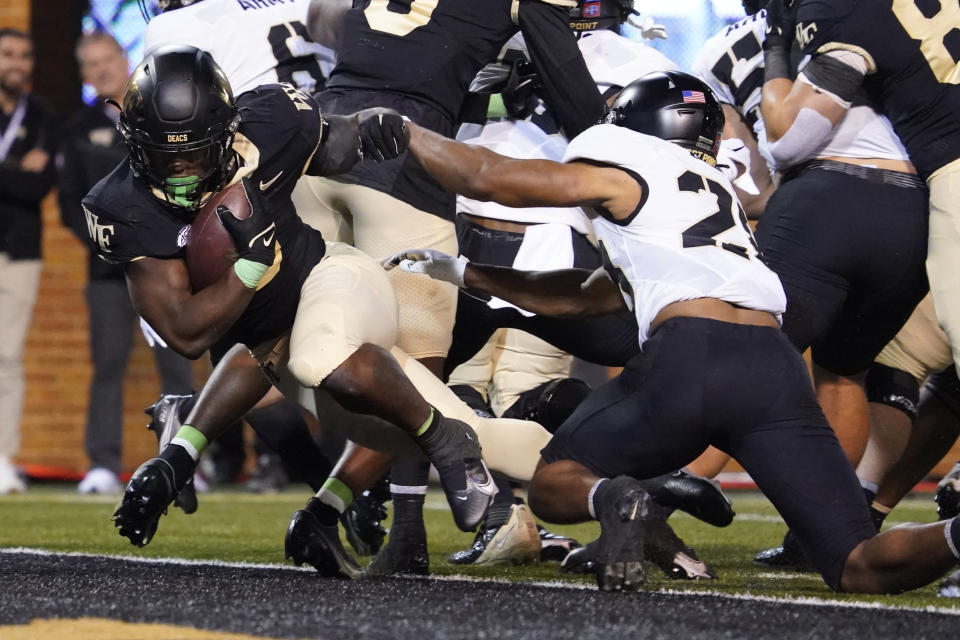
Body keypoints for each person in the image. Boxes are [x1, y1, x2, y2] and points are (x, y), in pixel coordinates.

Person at [385, 70, 960, 594]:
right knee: (858, 563)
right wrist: (464, 271)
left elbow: (488, 176)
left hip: (691, 355)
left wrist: (402, 128)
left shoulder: (628, 165)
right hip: (773, 367)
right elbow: (587, 297)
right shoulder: (713, 197)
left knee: (556, 483)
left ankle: (618, 498)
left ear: (633, 125)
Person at [94, 47, 495, 560]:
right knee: (310, 378)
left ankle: (453, 443)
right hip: (258, 317)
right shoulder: (122, 205)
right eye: (165, 155)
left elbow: (335, 143)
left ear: (228, 132)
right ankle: (324, 507)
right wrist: (247, 270)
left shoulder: (271, 123)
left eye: (195, 154)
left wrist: (371, 129)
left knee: (336, 366)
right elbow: (187, 334)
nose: (181, 173)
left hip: (333, 268)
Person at [141, 0, 339, 495]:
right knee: (316, 341)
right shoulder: (302, 4)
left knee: (273, 346)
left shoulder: (176, 24)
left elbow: (163, 121)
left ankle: (194, 420)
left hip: (262, 177)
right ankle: (341, 490)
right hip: (335, 165)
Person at [57, 31, 196, 495]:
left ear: (124, 59)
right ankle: (102, 463)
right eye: (89, 64)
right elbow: (69, 205)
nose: (100, 70)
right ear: (83, 73)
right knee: (108, 363)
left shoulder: (159, 112)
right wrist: (109, 248)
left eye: (106, 60)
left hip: (164, 263)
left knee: (178, 360)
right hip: (106, 271)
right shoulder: (77, 128)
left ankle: (185, 458)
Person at [0, 28, 58, 495]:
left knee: (7, 356)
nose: (17, 62)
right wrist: (18, 168)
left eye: (25, 54)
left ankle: (1, 456)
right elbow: (24, 178)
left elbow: (40, 188)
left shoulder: (41, 114)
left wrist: (20, 176)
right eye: (7, 54)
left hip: (20, 251)